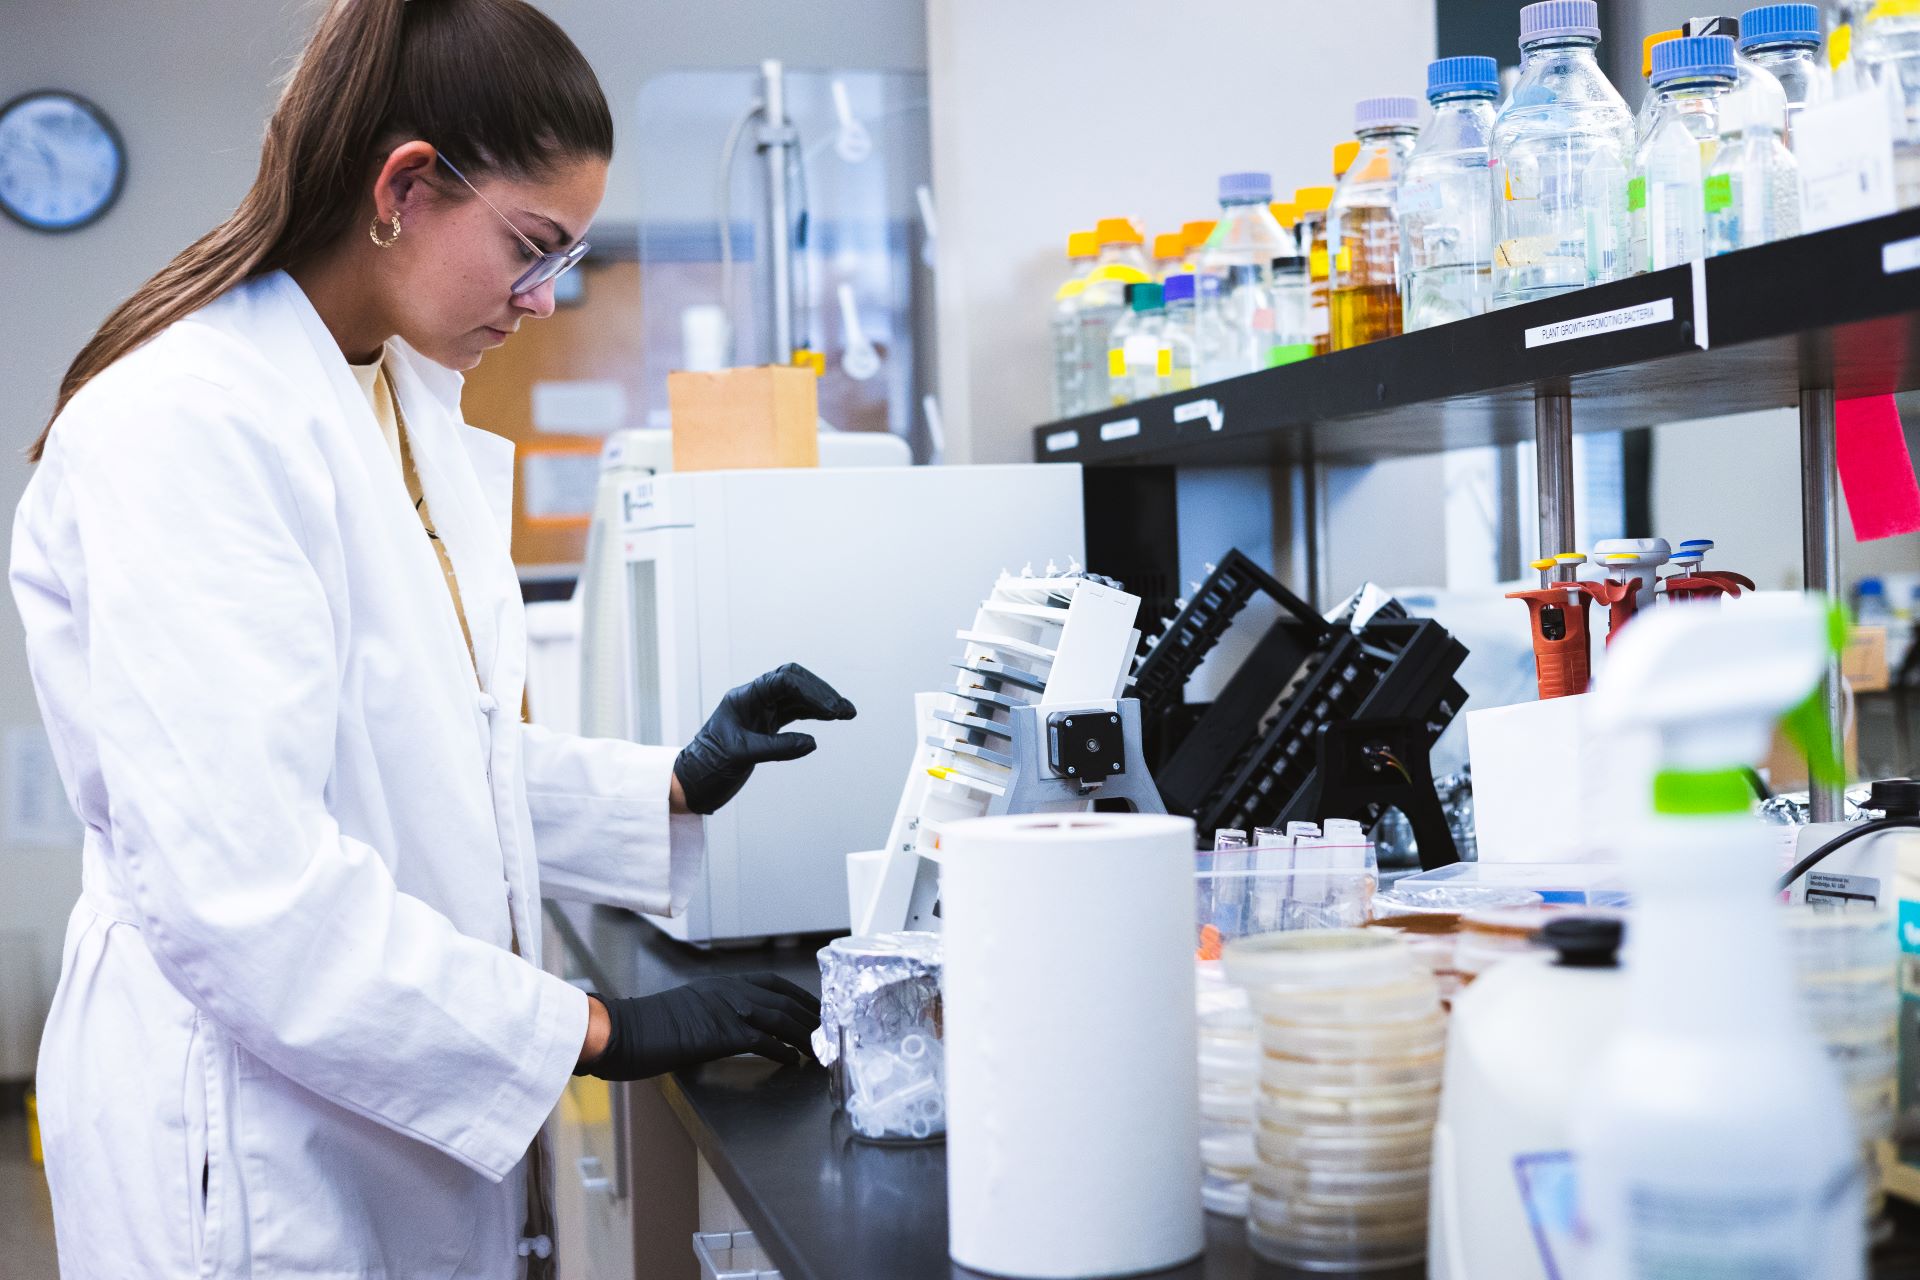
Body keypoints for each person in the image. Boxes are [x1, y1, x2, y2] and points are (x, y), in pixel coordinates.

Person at [7, 1, 855, 1276]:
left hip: (361, 1114)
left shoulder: (388, 394)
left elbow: (415, 757)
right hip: (247, 1145)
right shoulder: (189, 421)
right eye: (530, 245)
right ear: (404, 185)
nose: (542, 297)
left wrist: (670, 781)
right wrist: (596, 1029)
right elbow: (249, 890)